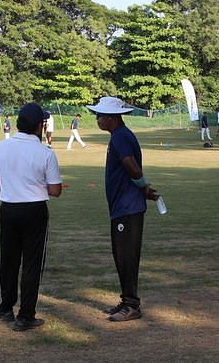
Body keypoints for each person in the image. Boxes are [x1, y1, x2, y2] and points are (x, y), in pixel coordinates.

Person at [0, 102, 63, 331]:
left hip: (9, 208)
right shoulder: (45, 152)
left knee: (9, 259)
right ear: (40, 125)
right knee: (31, 262)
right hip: (34, 210)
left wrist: (13, 181)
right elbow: (55, 190)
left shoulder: (1, 147)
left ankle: (5, 306)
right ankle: (26, 315)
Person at [87, 97, 159, 322]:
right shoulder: (119, 136)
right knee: (121, 255)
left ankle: (132, 305)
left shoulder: (121, 138)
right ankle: (126, 300)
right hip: (122, 206)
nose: (97, 119)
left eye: (100, 116)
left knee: (126, 256)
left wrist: (144, 187)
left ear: (111, 117)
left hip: (127, 207)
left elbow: (132, 167)